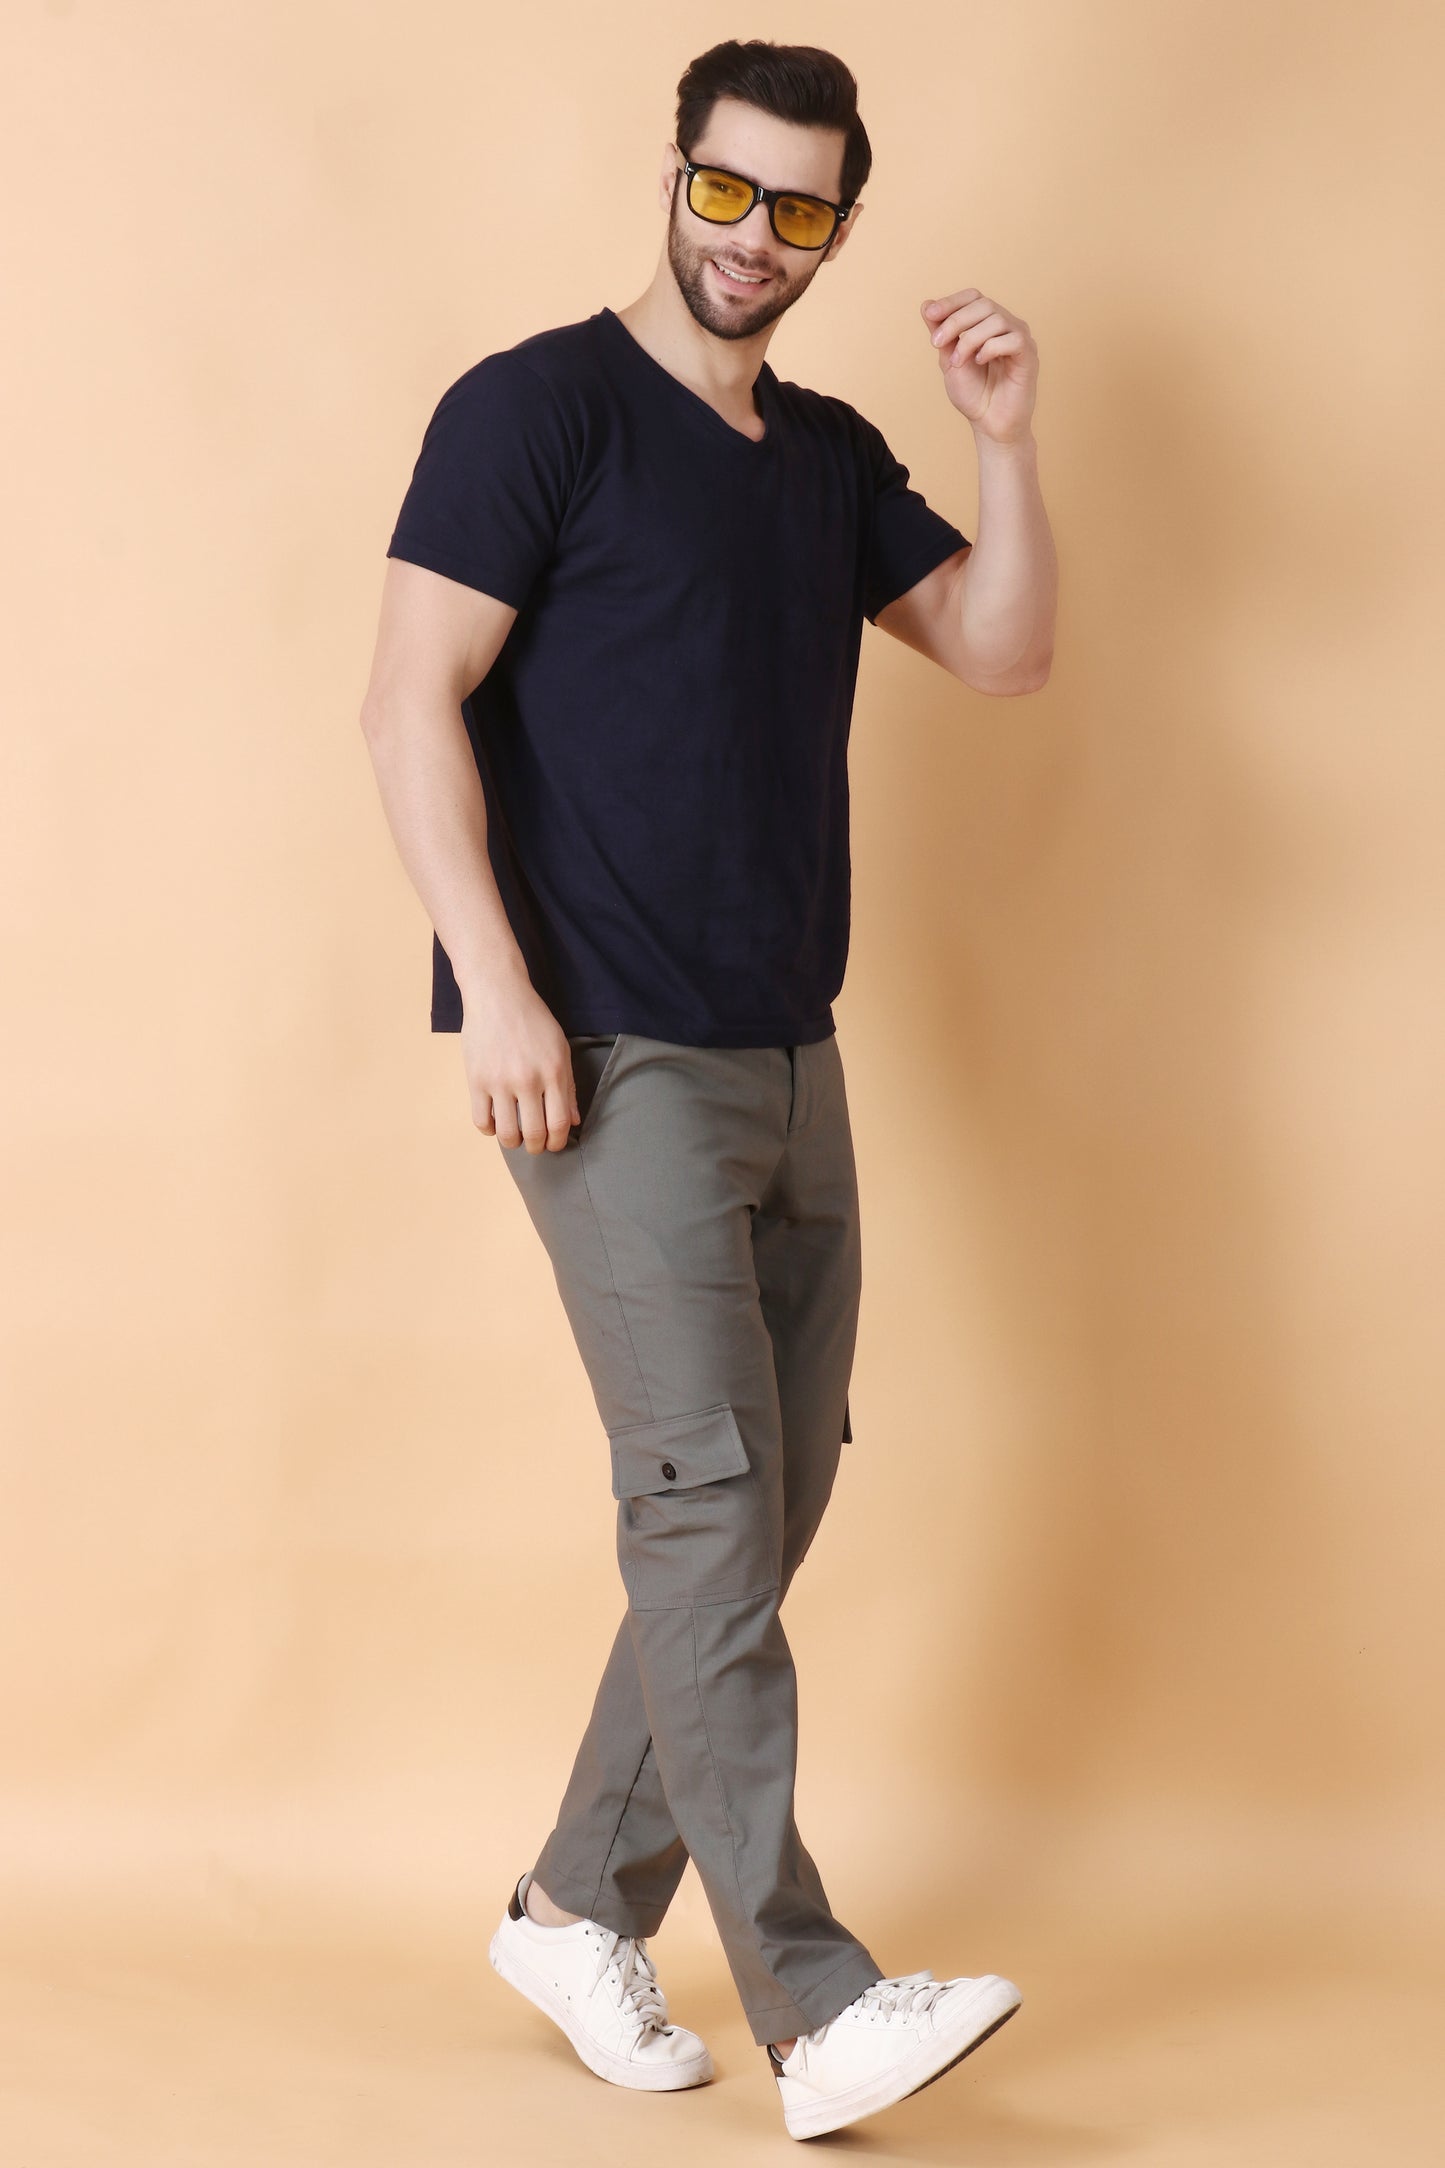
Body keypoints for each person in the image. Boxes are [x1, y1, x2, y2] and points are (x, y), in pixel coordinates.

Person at [360, 35, 1056, 2142]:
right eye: (728, 190)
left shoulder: (826, 456)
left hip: (788, 1045)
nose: (755, 237)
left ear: (839, 222)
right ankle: (814, 2002)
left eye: (801, 208)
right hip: (607, 1048)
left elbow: (1003, 647)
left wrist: (1004, 443)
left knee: (771, 1492)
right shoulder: (537, 410)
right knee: (701, 1499)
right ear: (675, 172)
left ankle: (578, 1902)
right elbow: (407, 701)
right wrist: (498, 990)